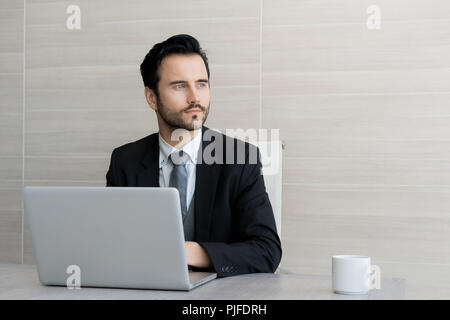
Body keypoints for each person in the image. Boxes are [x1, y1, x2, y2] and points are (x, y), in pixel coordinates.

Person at [106, 34, 281, 277]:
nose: (195, 98)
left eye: (201, 84)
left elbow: (266, 251)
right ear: (151, 97)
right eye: (180, 85)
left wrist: (189, 252)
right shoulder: (125, 161)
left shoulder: (240, 159)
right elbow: (111, 244)